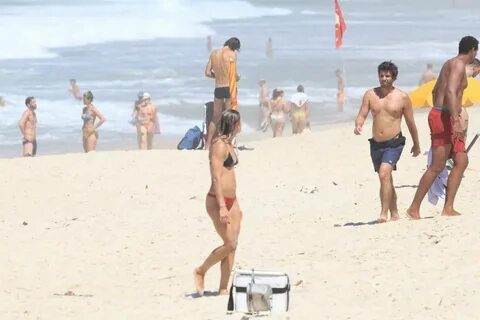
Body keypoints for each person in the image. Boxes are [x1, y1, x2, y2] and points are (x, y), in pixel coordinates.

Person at [407, 36, 478, 219]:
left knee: (461, 161)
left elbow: (436, 89)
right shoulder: (458, 65)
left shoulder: (450, 64)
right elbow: (450, 91)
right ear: (472, 50)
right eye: (476, 51)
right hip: (444, 117)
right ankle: (414, 208)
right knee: (437, 165)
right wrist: (454, 119)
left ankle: (448, 207)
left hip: (445, 114)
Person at [354, 61, 421, 223]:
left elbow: (411, 122)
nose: (384, 79)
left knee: (384, 173)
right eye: (381, 75)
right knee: (386, 178)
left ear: (394, 78)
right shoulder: (370, 95)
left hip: (394, 142)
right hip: (376, 144)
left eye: (387, 76)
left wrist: (416, 144)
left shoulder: (403, 97)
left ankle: (383, 214)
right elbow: (363, 113)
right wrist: (358, 124)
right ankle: (395, 212)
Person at [194, 109, 243, 296]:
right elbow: (216, 178)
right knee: (229, 243)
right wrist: (222, 206)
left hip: (233, 201)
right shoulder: (219, 146)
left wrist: (233, 204)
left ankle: (223, 288)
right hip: (217, 200)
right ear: (235, 124)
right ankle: (201, 270)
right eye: (240, 122)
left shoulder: (230, 143)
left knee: (233, 244)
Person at [204, 37, 241, 149]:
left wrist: (218, 76)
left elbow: (207, 73)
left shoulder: (214, 53)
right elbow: (233, 75)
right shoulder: (232, 54)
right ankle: (226, 142)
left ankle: (208, 144)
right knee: (228, 116)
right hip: (228, 88)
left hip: (218, 88)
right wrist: (238, 78)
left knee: (215, 117)